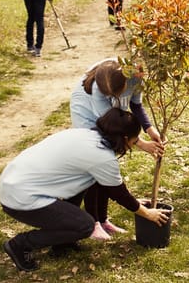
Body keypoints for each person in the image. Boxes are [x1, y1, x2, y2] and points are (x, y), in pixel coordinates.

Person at [0, 108, 169, 272]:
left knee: (86, 182)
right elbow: (119, 193)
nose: (132, 146)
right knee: (85, 225)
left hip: (12, 182)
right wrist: (147, 213)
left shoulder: (84, 134)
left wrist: (134, 202)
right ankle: (21, 244)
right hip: (21, 197)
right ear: (124, 139)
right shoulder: (101, 157)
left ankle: (62, 243)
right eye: (133, 141)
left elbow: (108, 187)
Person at [70, 58, 165, 240]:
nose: (116, 100)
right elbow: (111, 127)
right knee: (97, 164)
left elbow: (136, 105)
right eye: (111, 97)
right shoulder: (98, 88)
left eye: (117, 95)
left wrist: (149, 128)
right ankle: (94, 222)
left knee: (107, 161)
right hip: (88, 115)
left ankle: (104, 220)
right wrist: (142, 144)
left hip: (110, 119)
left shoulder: (135, 75)